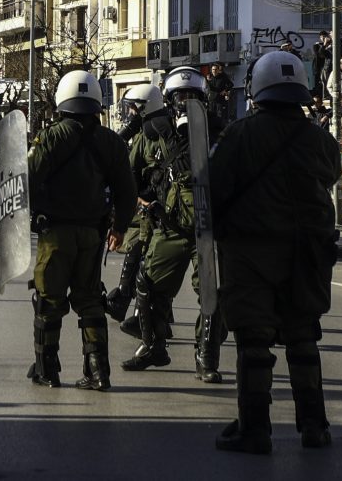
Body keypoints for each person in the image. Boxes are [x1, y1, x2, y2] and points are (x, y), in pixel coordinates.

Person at [210, 50, 340, 454]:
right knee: (303, 338)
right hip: (307, 252)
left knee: (254, 341)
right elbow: (331, 175)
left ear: (257, 87)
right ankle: (314, 427)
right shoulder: (321, 139)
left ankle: (255, 429)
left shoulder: (239, 135)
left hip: (251, 252)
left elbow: (215, 189)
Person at [26, 70, 137, 391]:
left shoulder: (51, 137)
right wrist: (119, 228)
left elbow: (27, 180)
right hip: (94, 235)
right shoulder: (112, 142)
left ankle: (47, 368)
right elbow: (127, 192)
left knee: (48, 301)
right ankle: (98, 371)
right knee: (90, 300)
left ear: (63, 101)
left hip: (56, 233)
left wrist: (31, 217)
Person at [121, 66, 226, 383]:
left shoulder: (220, 132)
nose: (184, 102)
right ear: (167, 101)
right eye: (179, 97)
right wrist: (142, 199)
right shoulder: (153, 133)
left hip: (209, 227)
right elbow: (128, 173)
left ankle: (206, 358)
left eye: (191, 97)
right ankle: (153, 346)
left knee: (211, 292)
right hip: (169, 223)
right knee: (147, 284)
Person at [105, 84, 165, 325]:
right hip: (152, 204)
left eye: (132, 109)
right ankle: (134, 302)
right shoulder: (150, 132)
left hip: (156, 206)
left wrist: (141, 198)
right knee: (142, 251)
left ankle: (133, 303)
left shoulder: (153, 135)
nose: (129, 114)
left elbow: (141, 173)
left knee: (143, 251)